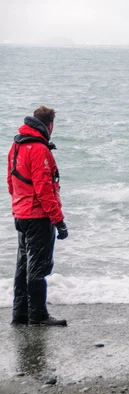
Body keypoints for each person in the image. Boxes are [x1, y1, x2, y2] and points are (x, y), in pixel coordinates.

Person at [7, 106, 68, 327]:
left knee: (22, 265)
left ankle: (20, 313)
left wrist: (19, 206)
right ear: (49, 125)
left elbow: (10, 182)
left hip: (20, 214)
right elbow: (44, 190)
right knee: (38, 267)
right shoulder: (39, 150)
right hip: (37, 216)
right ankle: (38, 315)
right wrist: (58, 221)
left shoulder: (16, 146)